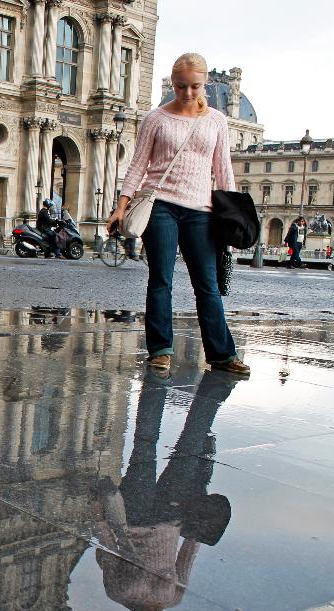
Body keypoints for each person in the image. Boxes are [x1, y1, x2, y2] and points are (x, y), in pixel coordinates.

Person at [106, 53, 249, 376]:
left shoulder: (216, 121)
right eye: (181, 86)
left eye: (195, 86)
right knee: (161, 280)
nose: (187, 93)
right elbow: (139, 165)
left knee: (208, 285)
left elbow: (223, 169)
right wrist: (122, 206)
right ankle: (160, 350)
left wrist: (233, 213)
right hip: (161, 208)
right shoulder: (156, 118)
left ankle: (222, 354)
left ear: (205, 84)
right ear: (173, 84)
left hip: (201, 211)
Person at [94, 367, 237, 611]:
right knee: (184, 447)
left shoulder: (122, 594)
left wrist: (98, 516)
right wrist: (196, 525)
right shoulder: (169, 599)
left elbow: (110, 550)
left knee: (149, 447)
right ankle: (210, 395)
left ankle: (161, 387)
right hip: (171, 517)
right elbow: (187, 556)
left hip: (136, 514)